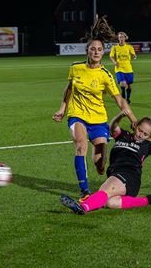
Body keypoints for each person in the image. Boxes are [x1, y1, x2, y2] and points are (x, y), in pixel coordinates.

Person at [53, 16, 137, 203]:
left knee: (100, 165)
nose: (97, 52)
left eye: (100, 49)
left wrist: (133, 118)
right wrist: (62, 109)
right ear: (87, 51)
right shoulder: (75, 68)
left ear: (103, 52)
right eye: (93, 49)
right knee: (81, 144)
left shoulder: (106, 75)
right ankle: (84, 191)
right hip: (77, 116)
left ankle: (102, 172)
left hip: (98, 119)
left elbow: (119, 100)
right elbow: (69, 89)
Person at [109, 32, 136, 104]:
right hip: (119, 68)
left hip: (128, 68)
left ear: (125, 38)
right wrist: (114, 62)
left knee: (129, 85)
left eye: (122, 37)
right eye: (120, 37)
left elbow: (133, 55)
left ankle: (128, 98)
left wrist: (134, 56)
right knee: (123, 84)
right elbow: (111, 56)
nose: (121, 38)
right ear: (118, 38)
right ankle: (123, 96)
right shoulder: (115, 47)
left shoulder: (129, 47)